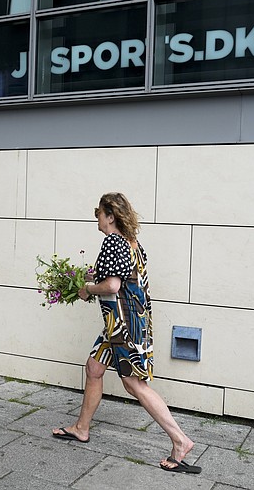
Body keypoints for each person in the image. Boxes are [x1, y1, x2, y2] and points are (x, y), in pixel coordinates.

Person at [51, 192, 201, 474]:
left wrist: (87, 289)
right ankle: (81, 428)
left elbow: (112, 286)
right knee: (94, 368)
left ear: (110, 215)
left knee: (134, 385)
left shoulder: (112, 241)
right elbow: (122, 279)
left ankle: (180, 441)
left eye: (99, 212)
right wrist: (89, 280)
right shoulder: (132, 244)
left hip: (124, 325)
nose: (96, 217)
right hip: (122, 324)